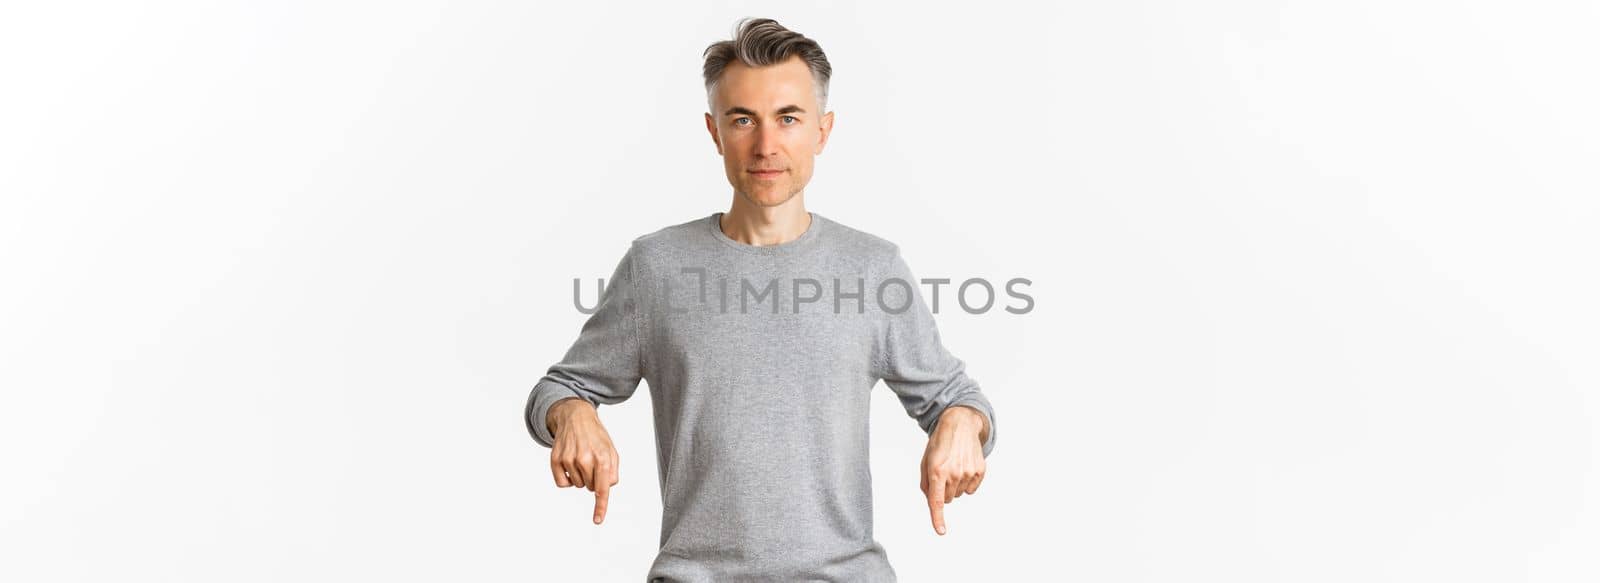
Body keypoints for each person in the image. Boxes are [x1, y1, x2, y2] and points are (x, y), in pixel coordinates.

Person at [524, 17, 997, 582]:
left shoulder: (873, 270)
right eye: (743, 119)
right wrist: (572, 412)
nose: (766, 145)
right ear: (714, 131)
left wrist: (964, 423)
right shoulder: (656, 267)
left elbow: (955, 397)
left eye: (788, 118)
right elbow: (560, 387)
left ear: (822, 132)